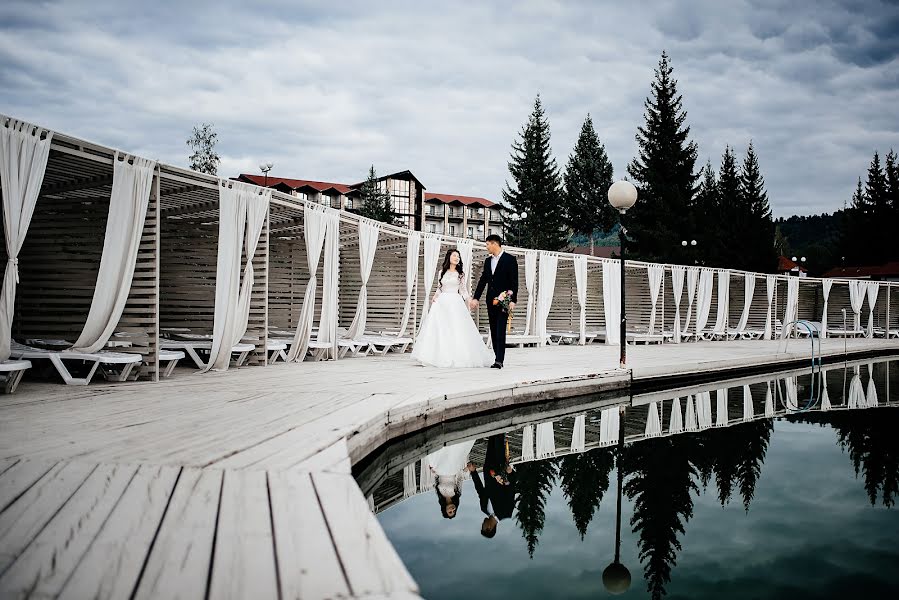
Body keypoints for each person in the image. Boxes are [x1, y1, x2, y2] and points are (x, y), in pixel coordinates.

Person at [411, 248, 495, 368]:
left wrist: (470, 300)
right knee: (440, 329)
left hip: (455, 302)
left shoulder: (460, 274)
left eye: (458, 257)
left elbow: (463, 290)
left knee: (456, 329)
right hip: (441, 303)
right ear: (449, 257)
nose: (457, 258)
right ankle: (434, 356)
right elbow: (439, 287)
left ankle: (456, 356)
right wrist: (434, 297)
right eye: (455, 256)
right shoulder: (441, 272)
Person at [470, 235, 519, 369]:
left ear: (494, 244)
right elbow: (482, 281)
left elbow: (514, 282)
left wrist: (513, 300)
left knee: (500, 329)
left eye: (487, 245)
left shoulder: (510, 259)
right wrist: (476, 297)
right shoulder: (487, 261)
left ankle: (499, 360)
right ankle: (497, 356)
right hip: (490, 301)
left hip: (505, 300)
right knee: (493, 329)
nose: (486, 247)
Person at [468, 433, 517, 538]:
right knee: (499, 437)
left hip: (488, 468)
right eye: (483, 526)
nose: (482, 524)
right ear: (489, 528)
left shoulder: (484, 508)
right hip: (500, 467)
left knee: (491, 437)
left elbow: (480, 490)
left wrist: (473, 472)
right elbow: (511, 490)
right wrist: (510, 473)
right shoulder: (506, 512)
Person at [425, 439, 477, 519]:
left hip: (440, 470)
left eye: (450, 512)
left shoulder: (440, 495)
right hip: (452, 469)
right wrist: (467, 469)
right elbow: (460, 478)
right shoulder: (457, 494)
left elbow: (436, 479)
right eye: (454, 511)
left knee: (440, 451)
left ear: (444, 510)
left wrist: (432, 470)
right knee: (452, 450)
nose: (452, 510)